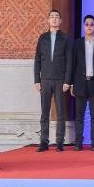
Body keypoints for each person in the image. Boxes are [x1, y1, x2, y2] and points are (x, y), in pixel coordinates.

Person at [68, 14, 94, 151]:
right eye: (87, 24)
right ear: (84, 26)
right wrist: (71, 83)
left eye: (92, 24)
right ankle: (78, 142)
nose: (89, 26)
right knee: (79, 115)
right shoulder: (77, 43)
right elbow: (72, 64)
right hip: (80, 83)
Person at [33, 9, 70, 152]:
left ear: (60, 21)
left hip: (60, 80)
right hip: (45, 80)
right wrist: (37, 80)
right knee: (44, 113)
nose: (54, 19)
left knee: (61, 113)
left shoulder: (65, 38)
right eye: (52, 17)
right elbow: (37, 60)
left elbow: (69, 61)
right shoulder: (42, 38)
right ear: (48, 20)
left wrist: (67, 81)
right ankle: (44, 142)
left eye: (57, 17)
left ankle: (60, 142)